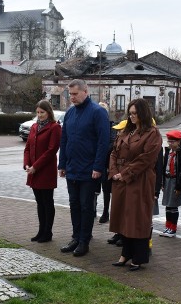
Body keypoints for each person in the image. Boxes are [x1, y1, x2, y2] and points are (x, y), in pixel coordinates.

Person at [108, 98, 162, 271]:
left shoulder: (152, 133)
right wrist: (114, 172)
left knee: (137, 218)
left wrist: (124, 174)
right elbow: (114, 153)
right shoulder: (126, 131)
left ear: (143, 114)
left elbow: (146, 159)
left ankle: (138, 257)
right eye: (130, 113)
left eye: (135, 114)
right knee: (124, 217)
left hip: (139, 180)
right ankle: (125, 253)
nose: (131, 117)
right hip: (122, 180)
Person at [58, 79, 110, 257]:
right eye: (70, 94)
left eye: (74, 94)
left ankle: (84, 241)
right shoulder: (70, 113)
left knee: (87, 206)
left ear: (85, 92)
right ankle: (76, 237)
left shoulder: (98, 112)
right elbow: (64, 140)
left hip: (89, 170)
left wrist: (98, 166)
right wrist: (62, 164)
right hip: (72, 168)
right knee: (74, 205)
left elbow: (103, 142)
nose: (71, 98)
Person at [23, 100, 62, 243]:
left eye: (42, 112)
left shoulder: (54, 128)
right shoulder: (34, 127)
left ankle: (48, 232)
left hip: (45, 171)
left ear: (48, 112)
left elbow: (51, 151)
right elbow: (27, 147)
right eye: (38, 112)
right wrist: (27, 164)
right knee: (39, 202)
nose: (39, 115)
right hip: (33, 171)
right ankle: (41, 231)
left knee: (47, 201)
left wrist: (35, 166)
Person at [158, 130, 181, 238]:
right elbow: (163, 167)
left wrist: (179, 186)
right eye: (169, 141)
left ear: (179, 142)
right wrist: (162, 182)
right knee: (167, 205)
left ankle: (173, 229)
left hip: (175, 182)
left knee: (173, 206)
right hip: (167, 180)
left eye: (173, 142)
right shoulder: (168, 152)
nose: (170, 144)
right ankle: (168, 226)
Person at [98, 102, 116, 224]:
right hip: (99, 163)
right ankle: (98, 211)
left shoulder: (112, 127)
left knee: (109, 190)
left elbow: (112, 144)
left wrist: (101, 149)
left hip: (109, 164)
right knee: (99, 190)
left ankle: (107, 212)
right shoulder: (95, 125)